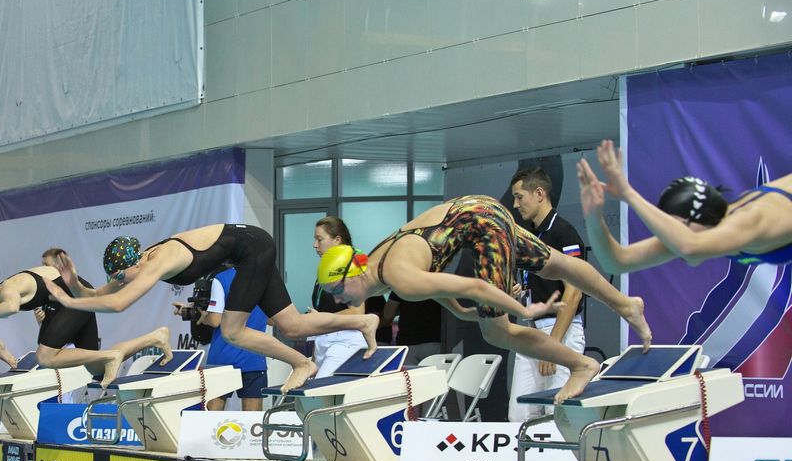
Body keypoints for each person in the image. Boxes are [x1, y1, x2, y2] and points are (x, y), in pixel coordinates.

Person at [315, 195, 651, 402]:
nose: (340, 300)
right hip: (478, 210)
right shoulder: (377, 265)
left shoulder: (399, 278)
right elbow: (436, 284)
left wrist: (522, 309)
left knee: (497, 332)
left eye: (338, 291)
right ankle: (626, 304)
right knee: (558, 265)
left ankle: (581, 364)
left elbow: (474, 288)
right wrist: (464, 313)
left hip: (483, 226)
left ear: (354, 274)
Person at [44, 225, 380, 392]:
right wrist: (73, 284)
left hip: (253, 250)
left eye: (120, 276)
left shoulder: (160, 260)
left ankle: (302, 363)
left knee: (232, 331)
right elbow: (99, 293)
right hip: (253, 247)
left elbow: (118, 303)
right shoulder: (140, 262)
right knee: (292, 326)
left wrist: (69, 301)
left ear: (135, 263)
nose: (119, 282)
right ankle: (363, 322)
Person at [0, 261, 171, 386]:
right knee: (95, 369)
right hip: (63, 302)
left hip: (73, 298)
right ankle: (155, 337)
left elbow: (11, 307)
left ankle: (110, 355)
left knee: (45, 357)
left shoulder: (10, 288)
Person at [577, 139, 792, 270]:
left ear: (696, 219)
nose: (672, 235)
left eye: (675, 227)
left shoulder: (751, 220)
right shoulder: (702, 229)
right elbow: (618, 262)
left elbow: (690, 248)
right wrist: (594, 219)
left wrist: (628, 194)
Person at [507, 167, 587, 422]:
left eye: (519, 197)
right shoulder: (528, 235)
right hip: (530, 332)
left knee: (558, 415)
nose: (515, 204)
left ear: (539, 193)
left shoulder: (564, 233)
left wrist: (553, 346)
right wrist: (519, 292)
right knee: (519, 416)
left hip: (559, 331)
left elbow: (574, 293)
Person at [175, 267, 268, 410]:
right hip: (254, 358)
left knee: (213, 419)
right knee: (253, 421)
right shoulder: (266, 278)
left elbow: (214, 320)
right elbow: (274, 319)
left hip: (222, 358)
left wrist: (201, 316)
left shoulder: (222, 278)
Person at [309, 218, 370, 377]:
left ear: (337, 240)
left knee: (321, 389)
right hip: (324, 340)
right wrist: (314, 359)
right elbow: (321, 315)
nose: (315, 245)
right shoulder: (327, 270)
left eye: (320, 239)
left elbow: (357, 312)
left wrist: (320, 319)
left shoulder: (352, 267)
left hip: (345, 342)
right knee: (313, 389)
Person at [380, 289, 443, 366]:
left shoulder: (400, 287)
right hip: (435, 340)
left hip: (408, 343)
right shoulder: (437, 286)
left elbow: (387, 316)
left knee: (409, 373)